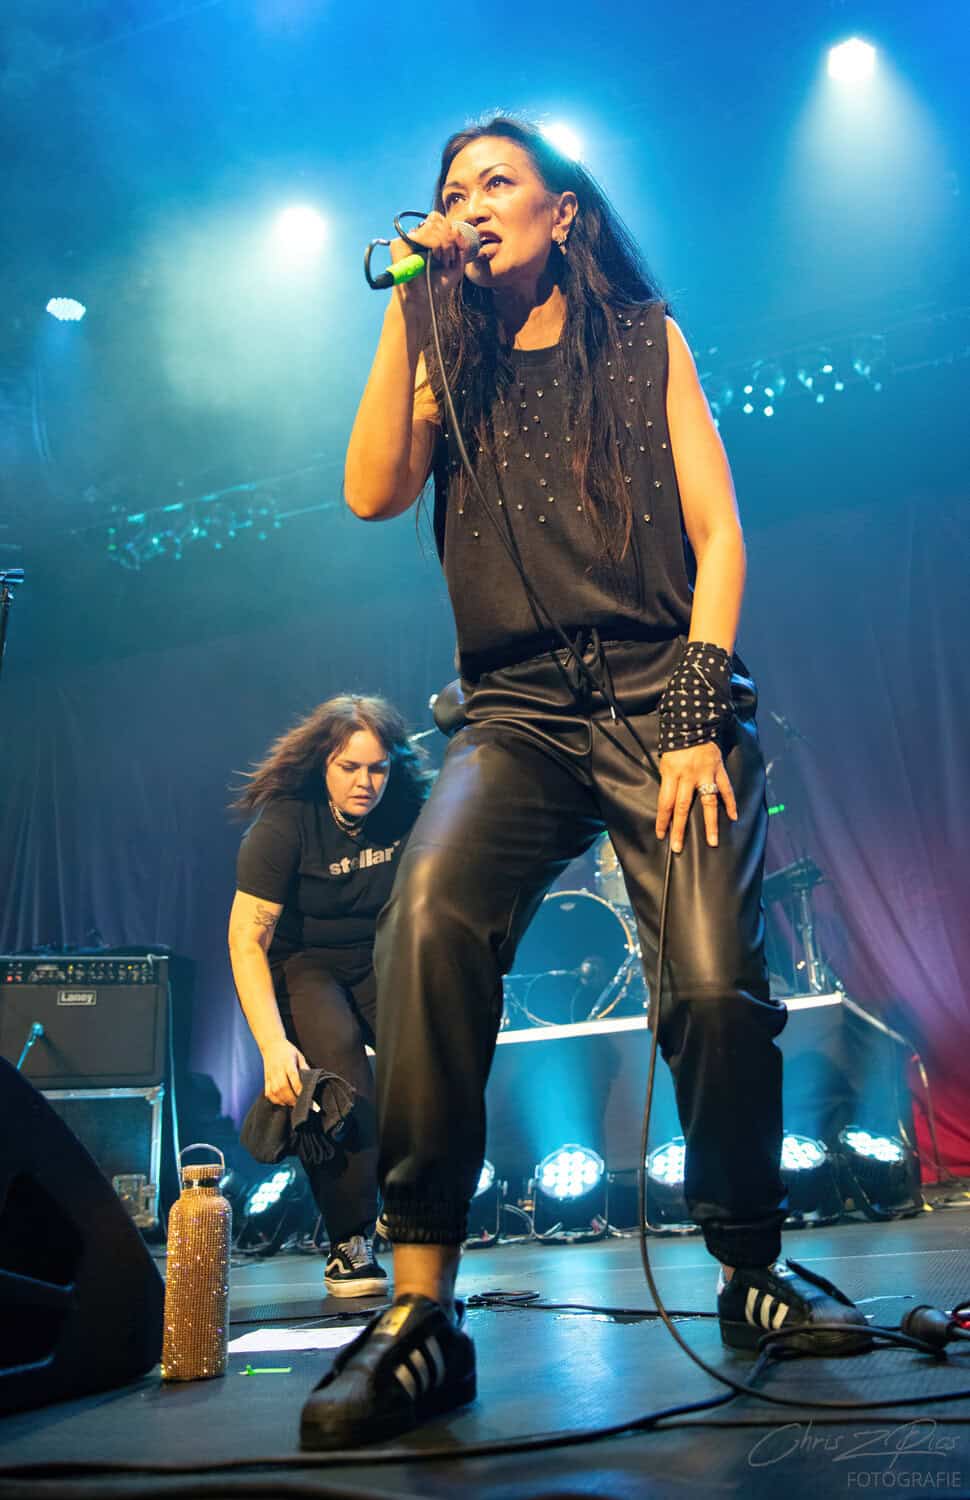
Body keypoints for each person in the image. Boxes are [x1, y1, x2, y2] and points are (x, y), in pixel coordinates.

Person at [300, 117, 868, 1447]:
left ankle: (748, 1267)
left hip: (664, 694)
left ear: (563, 213)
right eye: (450, 190)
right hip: (515, 715)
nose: (468, 203)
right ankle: (421, 1309)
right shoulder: (448, 360)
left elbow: (719, 536)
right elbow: (370, 492)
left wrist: (693, 719)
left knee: (712, 984)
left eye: (495, 182)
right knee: (425, 918)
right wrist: (406, 299)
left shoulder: (643, 339)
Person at [228, 694, 429, 1296]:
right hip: (305, 963)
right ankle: (349, 1241)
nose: (365, 783)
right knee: (341, 1081)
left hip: (379, 953)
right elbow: (247, 941)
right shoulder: (284, 824)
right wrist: (273, 1047)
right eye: (350, 768)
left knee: (431, 1065)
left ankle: (406, 1198)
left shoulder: (411, 807)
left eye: (378, 768)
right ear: (323, 764)